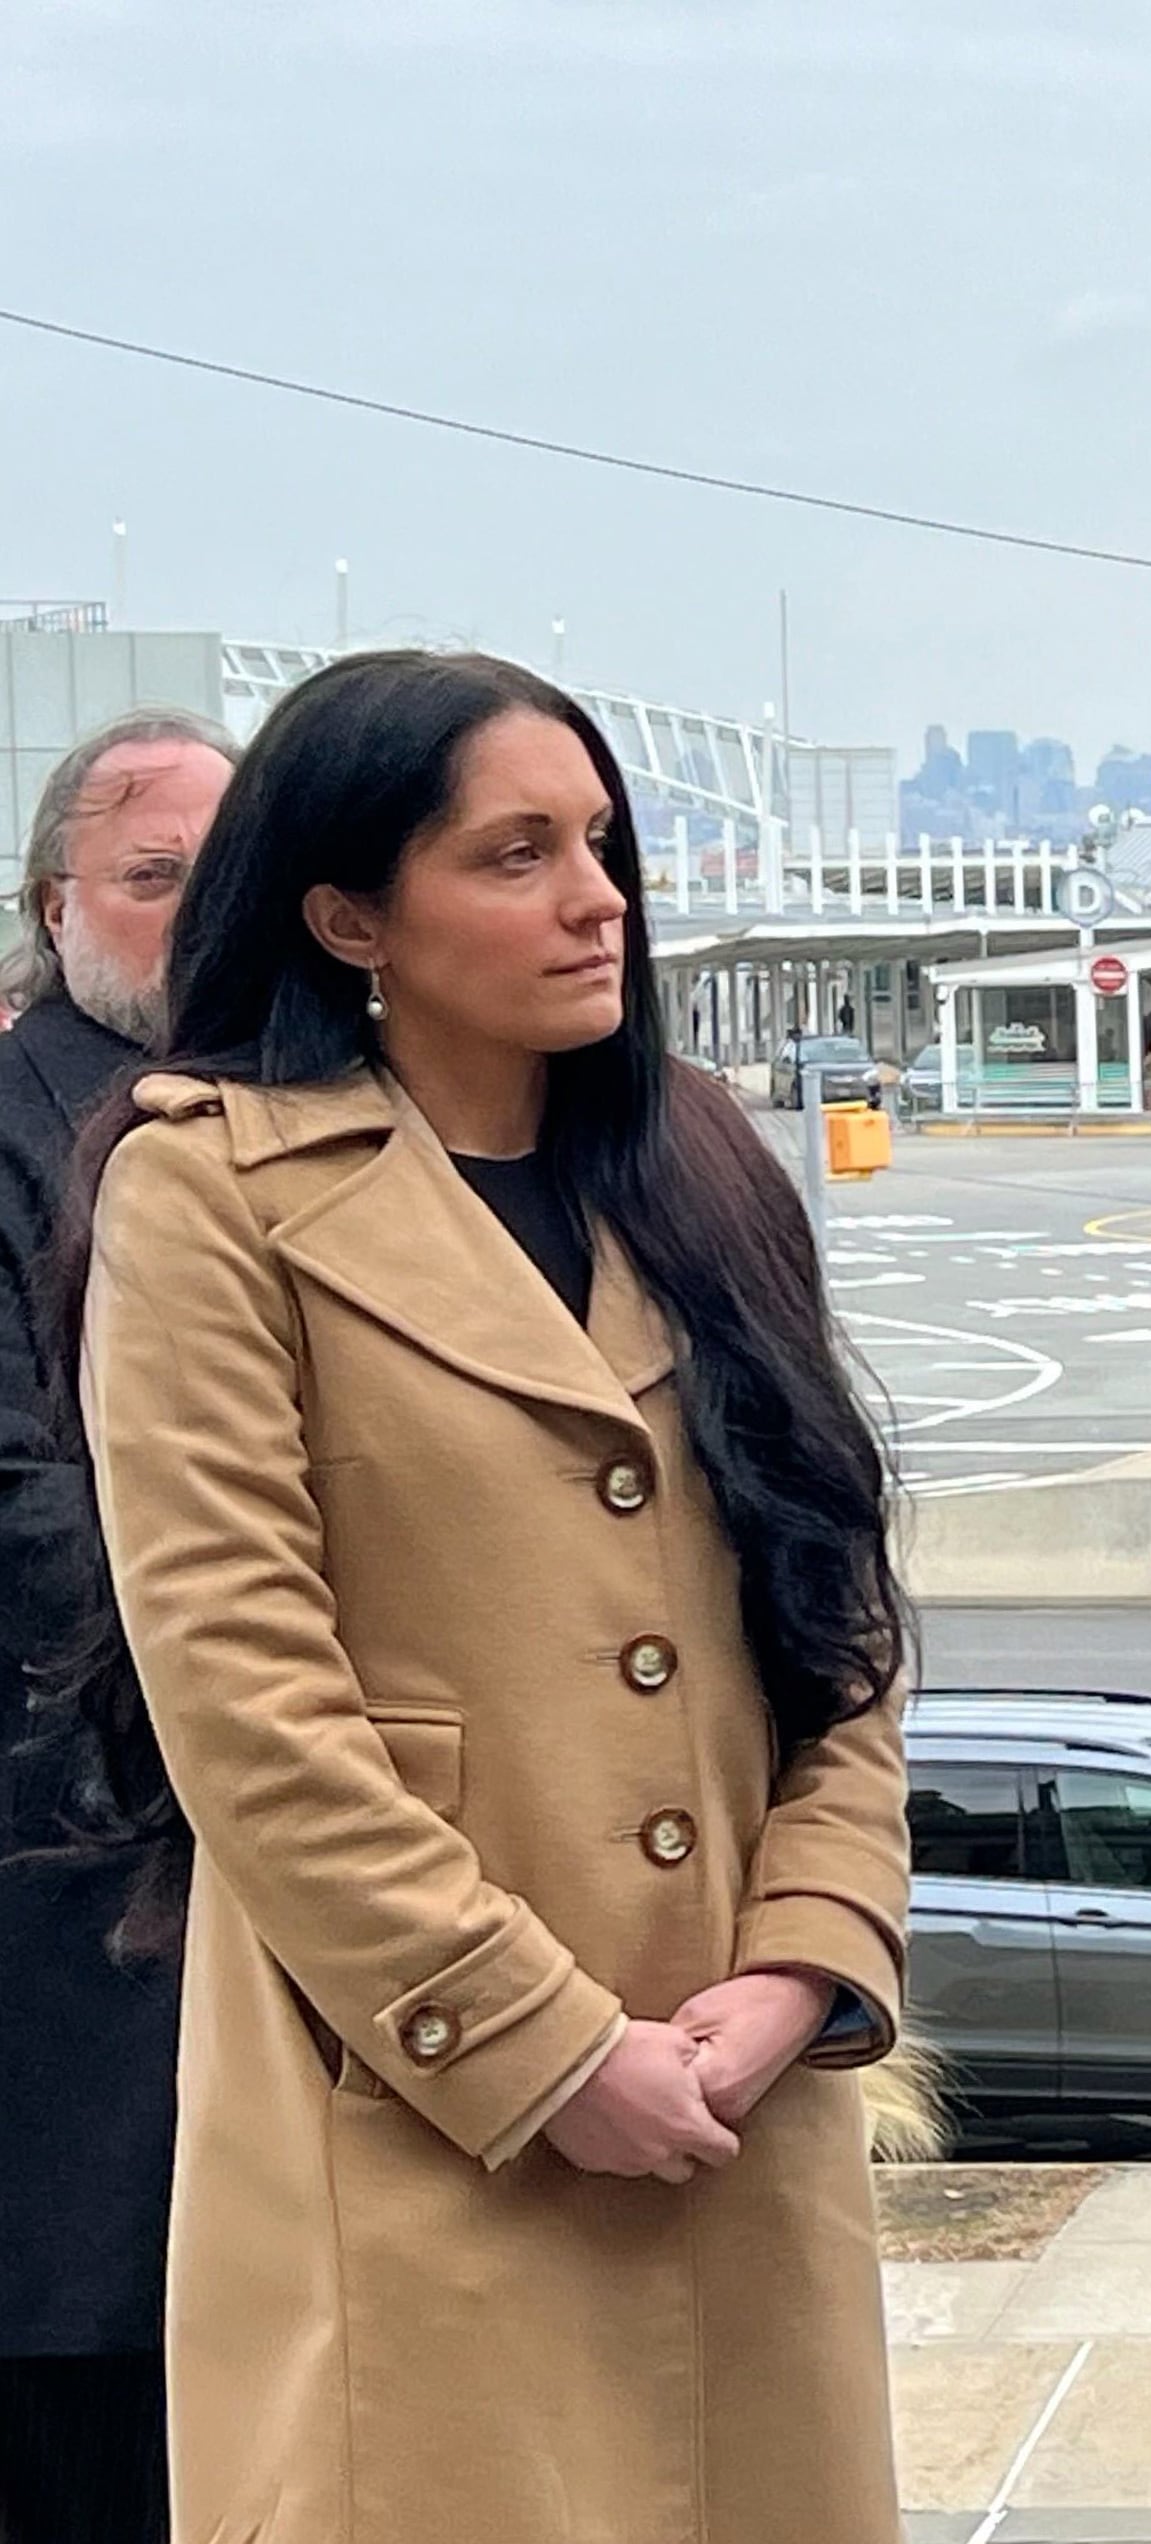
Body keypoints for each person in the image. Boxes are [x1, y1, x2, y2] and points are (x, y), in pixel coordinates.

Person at [50, 650, 914, 2544]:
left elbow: (836, 1628)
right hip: (422, 2125)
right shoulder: (211, 1192)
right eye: (514, 854)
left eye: (598, 841)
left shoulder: (692, 1164)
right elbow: (245, 1705)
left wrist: (804, 1962)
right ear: (351, 912)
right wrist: (542, 2047)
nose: (596, 896)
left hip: (735, 2109)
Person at [0, 707, 232, 2544]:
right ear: (53, 900)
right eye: (154, 879)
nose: (192, 913)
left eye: (222, 878)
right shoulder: (34, 1138)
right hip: (88, 1889)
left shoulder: (286, 1118)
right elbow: (42, 1523)